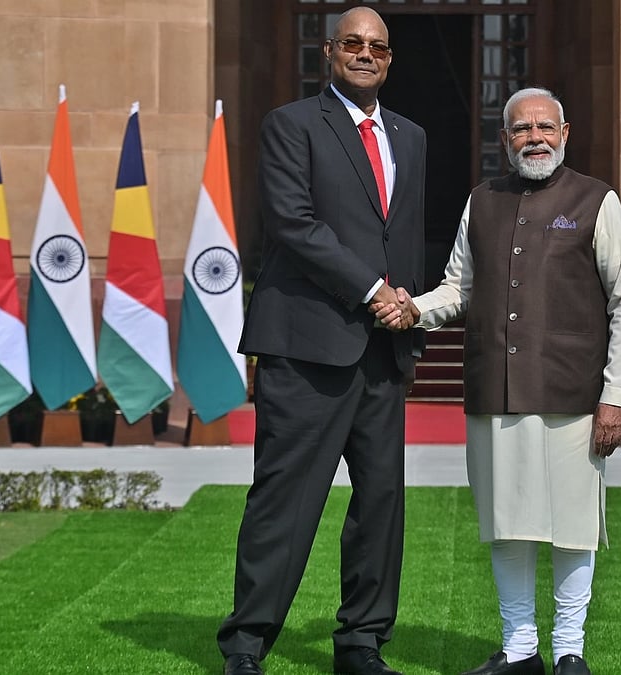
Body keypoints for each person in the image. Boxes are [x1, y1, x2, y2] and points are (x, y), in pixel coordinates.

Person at [375, 87, 621, 675]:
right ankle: (520, 648)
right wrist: (415, 309)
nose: (534, 138)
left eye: (545, 127)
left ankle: (570, 648)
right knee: (508, 525)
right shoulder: (483, 201)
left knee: (574, 528)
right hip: (495, 392)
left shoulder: (597, 201)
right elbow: (460, 289)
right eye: (521, 129)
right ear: (505, 140)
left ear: (565, 134)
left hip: (575, 396)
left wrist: (614, 395)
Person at [217, 7, 426, 675]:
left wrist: (409, 322)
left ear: (389, 59)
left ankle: (361, 642)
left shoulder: (410, 136)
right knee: (285, 499)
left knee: (380, 503)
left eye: (377, 47)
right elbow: (293, 224)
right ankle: (247, 643)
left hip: (382, 352)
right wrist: (373, 291)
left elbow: (406, 238)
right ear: (330, 52)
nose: (365, 55)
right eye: (352, 44)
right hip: (307, 348)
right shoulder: (290, 125)